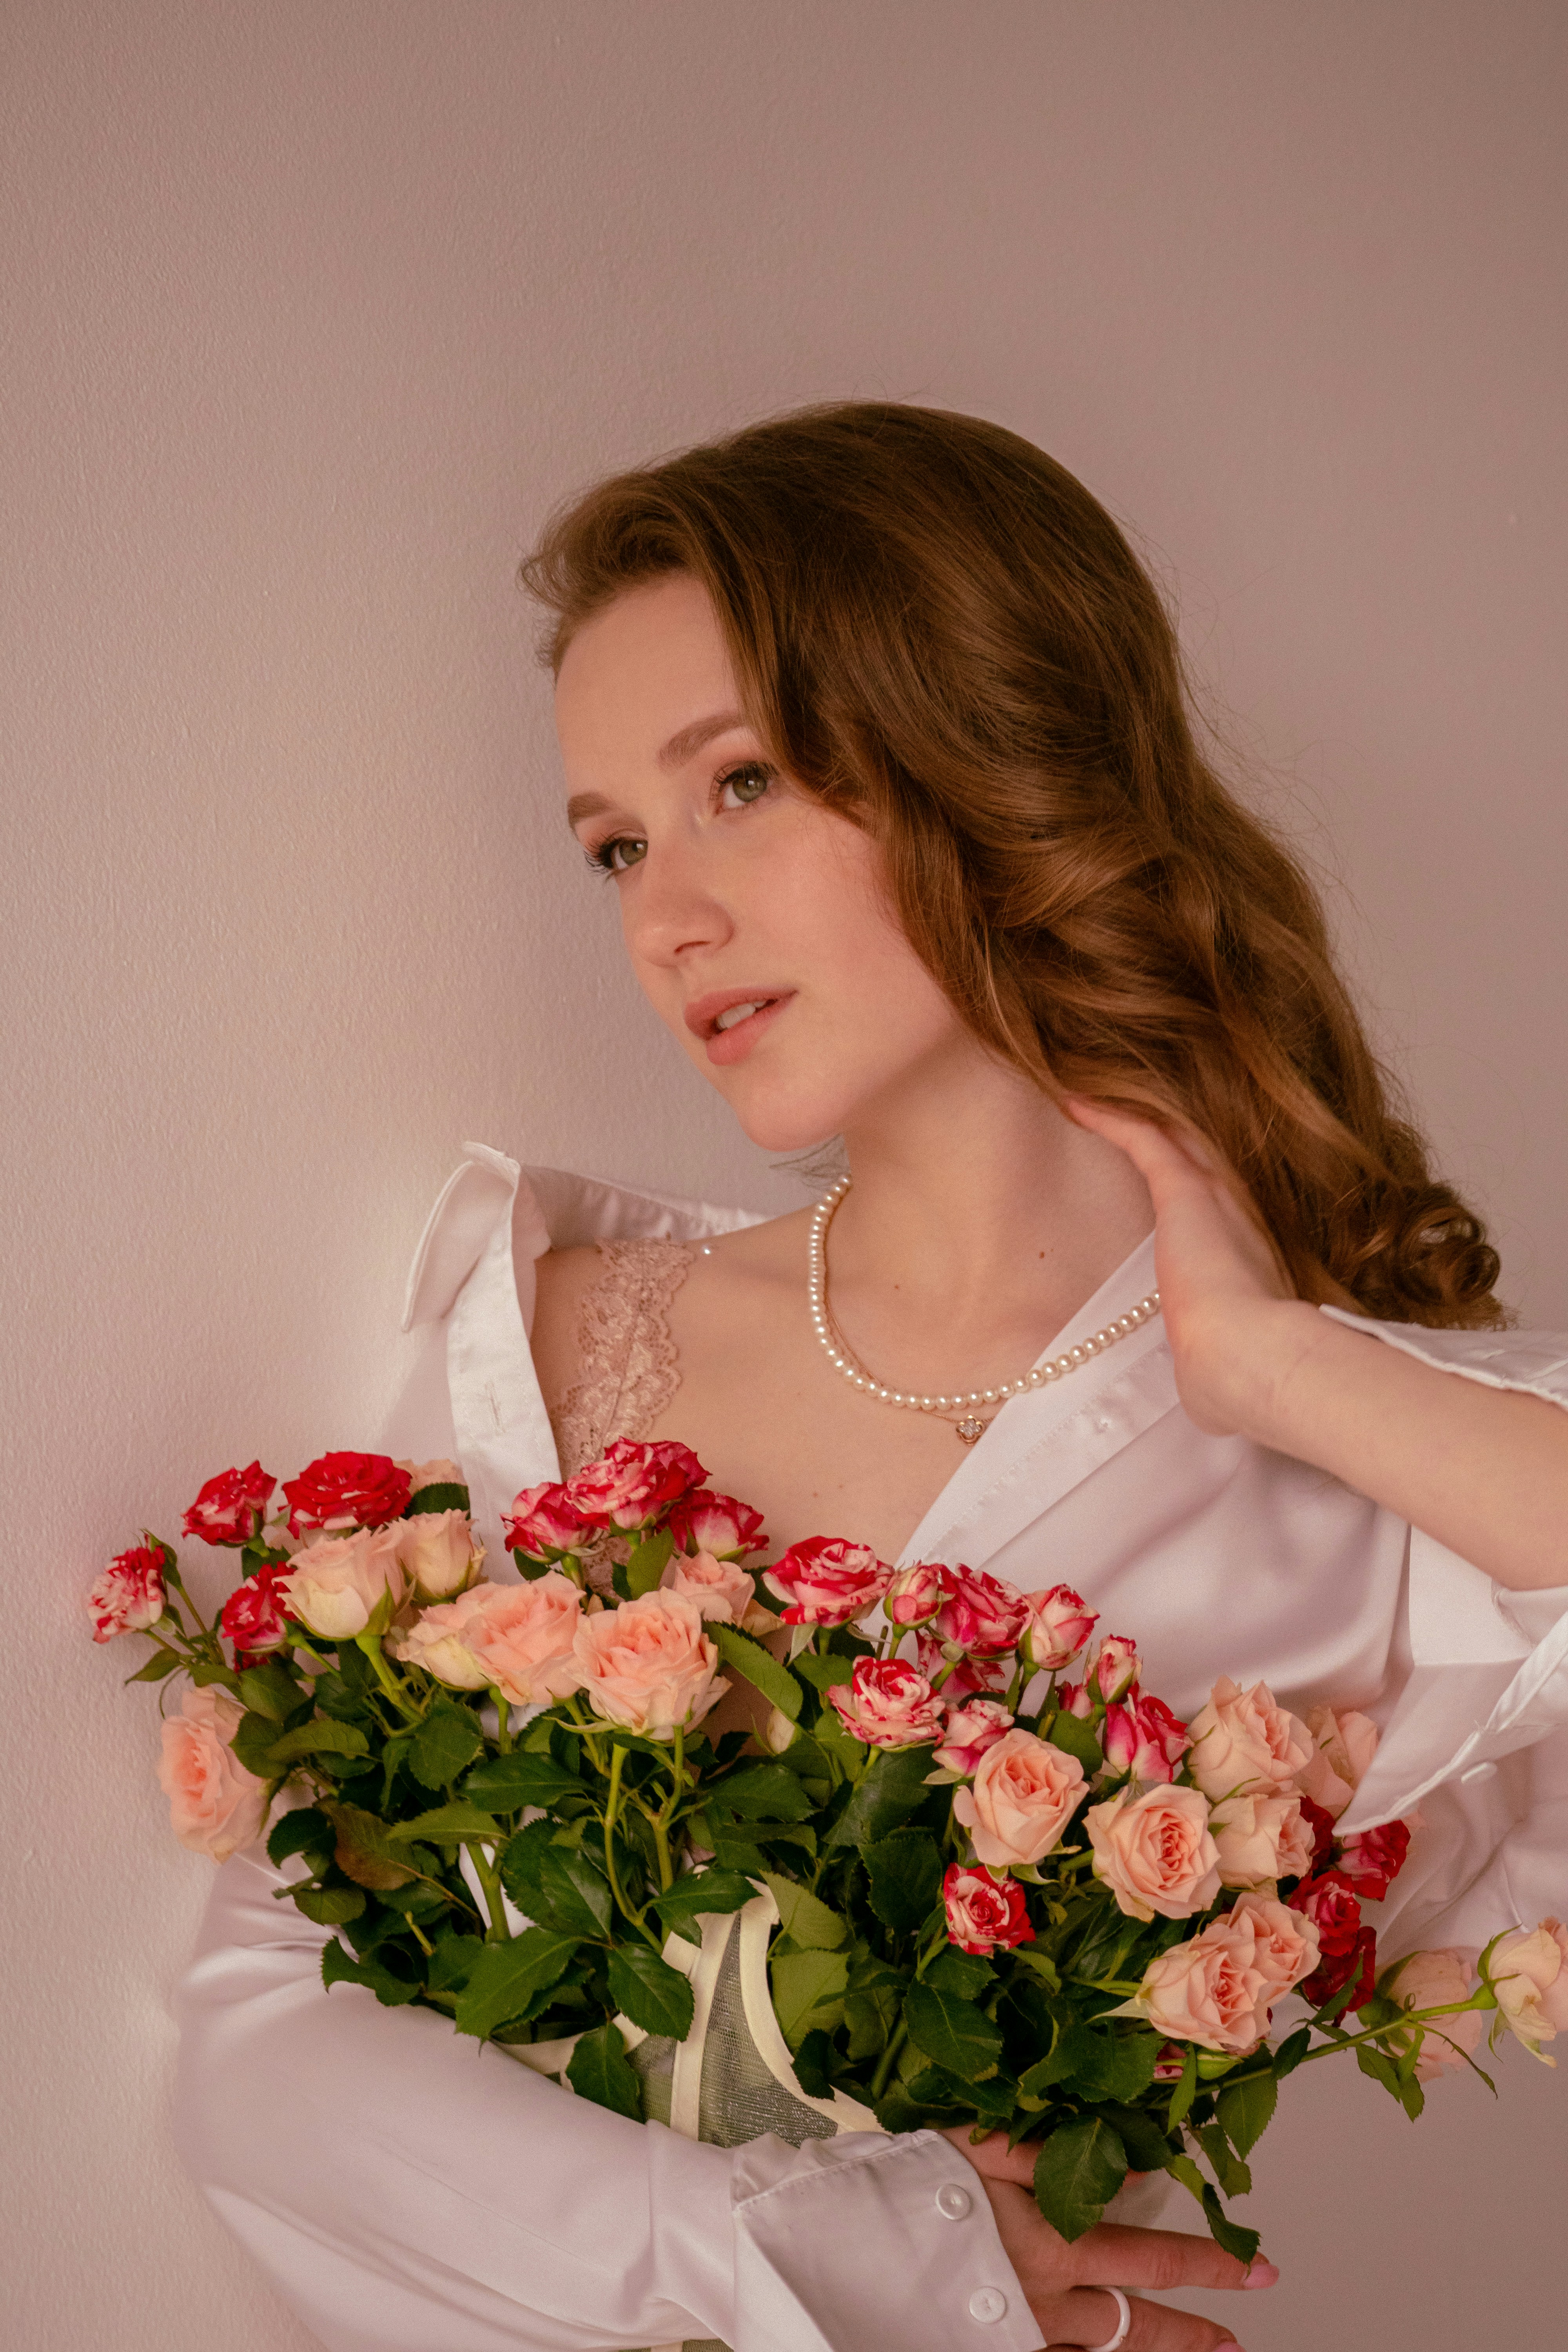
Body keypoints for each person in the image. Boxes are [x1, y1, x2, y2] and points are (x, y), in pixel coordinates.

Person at [173, 405, 1568, 2352]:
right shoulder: (553, 1346)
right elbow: (258, 2046)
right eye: (614, 847)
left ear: (986, 753)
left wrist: (1272, 1367)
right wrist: (827, 2257)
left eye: (739, 783)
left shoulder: (1372, 1481)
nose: (665, 922)